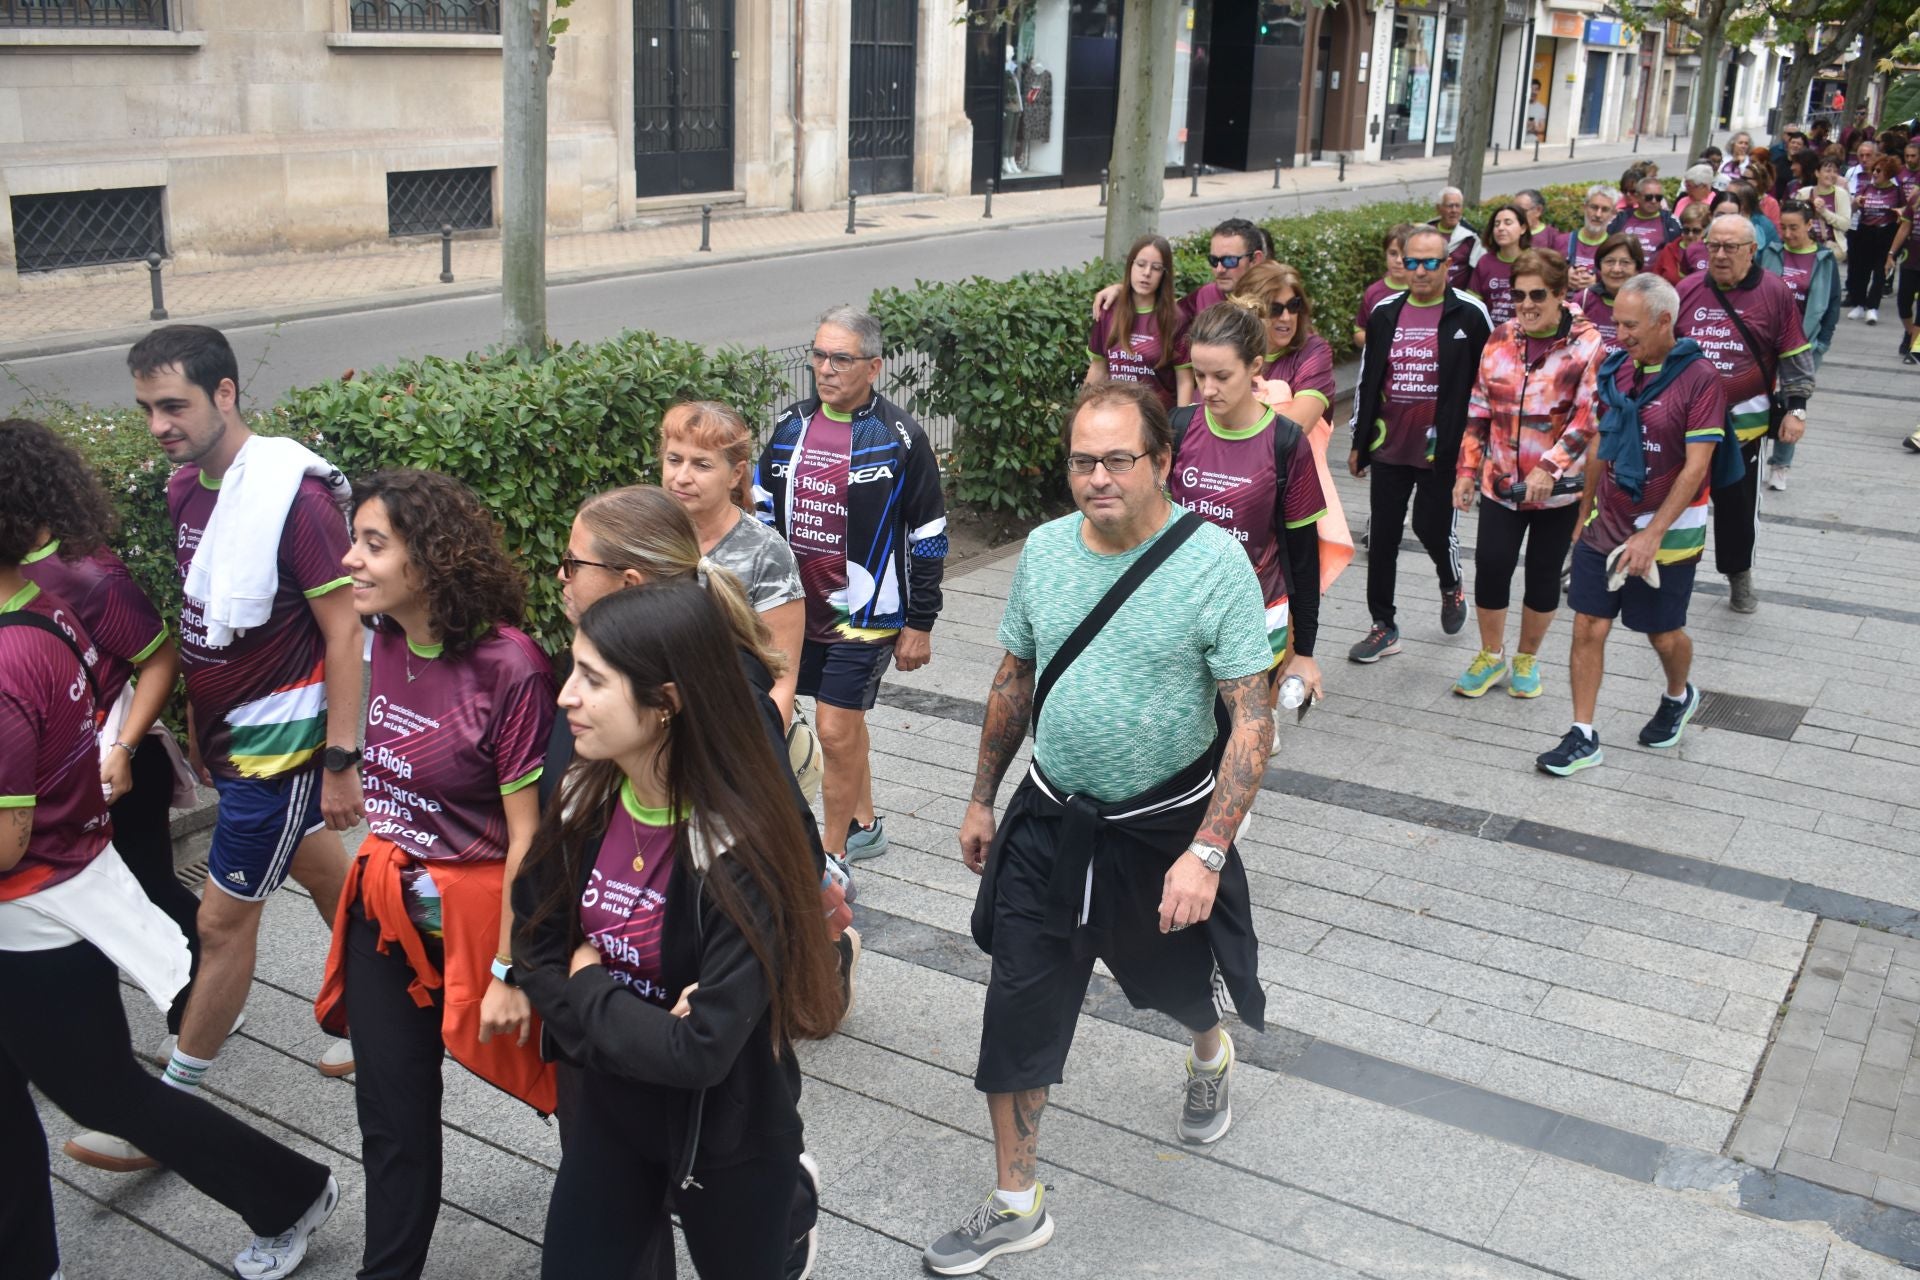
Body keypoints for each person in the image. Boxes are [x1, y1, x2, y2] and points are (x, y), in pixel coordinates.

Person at [924, 380, 1274, 1276]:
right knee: (1018, 1004)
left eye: (1119, 459)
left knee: (1171, 987)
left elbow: (1252, 719)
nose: (1098, 477)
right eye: (1083, 460)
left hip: (1160, 835)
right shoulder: (1044, 551)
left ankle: (1208, 1048)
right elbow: (1013, 678)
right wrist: (980, 797)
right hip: (1050, 821)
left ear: (1162, 463)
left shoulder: (1213, 564)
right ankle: (1017, 1203)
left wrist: (1207, 850)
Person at [0, 439, 340, 1280]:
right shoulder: (42, 613)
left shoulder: (23, 642)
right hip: (63, 887)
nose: (157, 425)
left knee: (105, 1088)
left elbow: (7, 838)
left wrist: (341, 755)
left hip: (38, 912)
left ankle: (287, 1192)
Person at [70, 325, 360, 1171]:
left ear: (225, 394)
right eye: (146, 408)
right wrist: (200, 719)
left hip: (286, 749)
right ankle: (396, 1012)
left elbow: (344, 634)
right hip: (231, 739)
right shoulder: (184, 490)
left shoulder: (297, 500)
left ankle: (167, 1117)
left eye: (174, 405)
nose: (158, 423)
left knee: (222, 920)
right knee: (327, 873)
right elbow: (208, 619)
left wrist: (340, 758)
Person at [545, 483, 844, 1279]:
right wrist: (587, 991)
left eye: (591, 680)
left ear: (667, 704)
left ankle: (789, 1209)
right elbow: (536, 946)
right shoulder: (581, 795)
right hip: (609, 1106)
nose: (565, 697)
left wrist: (586, 984)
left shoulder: (734, 838)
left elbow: (701, 1049)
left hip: (729, 1128)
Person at [307, 470, 554, 1280]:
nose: (351, 560)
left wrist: (511, 969)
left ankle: (721, 1195)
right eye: (356, 541)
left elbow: (530, 837)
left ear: (432, 558)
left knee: (576, 1096)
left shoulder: (508, 664)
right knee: (391, 1115)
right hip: (391, 907)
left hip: (487, 917)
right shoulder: (380, 635)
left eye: (374, 544)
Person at [11, 420, 200, 1032]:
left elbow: (159, 657)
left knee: (147, 884)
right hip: (60, 765)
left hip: (118, 761)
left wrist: (120, 747)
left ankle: (205, 1000)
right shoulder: (19, 569)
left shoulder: (90, 575)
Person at [758, 304, 946, 868]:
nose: (825, 368)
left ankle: (831, 855)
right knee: (844, 725)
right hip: (793, 611)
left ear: (874, 367)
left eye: (841, 358)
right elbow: (762, 508)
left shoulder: (901, 439)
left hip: (866, 617)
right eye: (819, 354)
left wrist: (921, 622)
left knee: (834, 730)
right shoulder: (791, 424)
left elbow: (930, 533)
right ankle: (865, 823)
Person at [1537, 274, 1726, 776]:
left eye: (1630, 324)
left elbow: (1695, 466)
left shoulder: (1700, 378)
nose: (1619, 334)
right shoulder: (1617, 368)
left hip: (1670, 527)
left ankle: (1679, 694)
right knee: (1587, 626)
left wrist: (1652, 535)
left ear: (1665, 321)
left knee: (1661, 633)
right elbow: (1601, 442)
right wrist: (1584, 516)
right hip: (1609, 520)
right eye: (1616, 321)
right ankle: (1582, 735)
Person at [1452, 249, 1603, 700]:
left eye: (1538, 294)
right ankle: (1491, 655)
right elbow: (1478, 410)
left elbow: (1587, 417)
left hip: (1557, 490)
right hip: (1501, 483)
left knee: (1541, 574)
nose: (1527, 303)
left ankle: (1526, 658)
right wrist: (1466, 470)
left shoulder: (1588, 343)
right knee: (1492, 566)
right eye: (1519, 294)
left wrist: (1548, 467)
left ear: (1561, 294)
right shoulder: (1500, 337)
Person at [1346, 225, 1491, 661]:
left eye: (1431, 262)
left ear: (1448, 264)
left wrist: (1478, 451)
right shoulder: (1385, 312)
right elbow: (1369, 378)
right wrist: (1358, 440)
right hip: (1390, 445)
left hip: (1442, 449)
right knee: (1383, 536)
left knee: (1432, 527)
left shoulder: (1470, 313)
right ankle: (1383, 625)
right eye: (1413, 262)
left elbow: (1489, 385)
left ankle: (1451, 585)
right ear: (1401, 264)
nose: (1422, 271)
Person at [1172, 301, 1328, 699]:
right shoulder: (1178, 428)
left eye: (1222, 376)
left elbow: (1303, 553)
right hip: (1181, 616)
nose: (1207, 389)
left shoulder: (1285, 442)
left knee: (1240, 747)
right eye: (1200, 374)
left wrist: (1305, 650)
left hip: (1256, 620)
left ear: (1255, 366)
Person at [1675, 215, 1816, 614]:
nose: (1719, 255)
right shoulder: (1685, 289)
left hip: (1744, 428)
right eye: (1713, 246)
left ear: (1752, 251)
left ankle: (1739, 576)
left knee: (1736, 507)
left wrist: (1797, 409)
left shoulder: (1775, 293)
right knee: (1672, 500)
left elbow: (1795, 358)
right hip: (1684, 425)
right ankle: (1664, 571)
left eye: (1730, 247)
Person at [662, 400, 805, 726]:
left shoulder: (767, 553)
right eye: (674, 460)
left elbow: (781, 680)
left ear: (735, 474)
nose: (681, 477)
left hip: (731, 730)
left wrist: (762, 756)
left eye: (701, 465)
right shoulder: (645, 536)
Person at [1763, 202, 1840, 491]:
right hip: (1767, 342)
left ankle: (1781, 464)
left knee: (1792, 403)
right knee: (1763, 398)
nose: (1787, 233)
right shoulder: (1770, 252)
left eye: (1794, 227)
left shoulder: (1824, 259)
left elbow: (1832, 304)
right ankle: (1757, 454)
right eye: (1783, 227)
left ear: (1809, 225)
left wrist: (1822, 342)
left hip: (1804, 344)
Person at [1091, 217, 1267, 327]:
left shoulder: (1280, 300)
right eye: (1214, 260)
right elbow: (1164, 306)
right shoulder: (1205, 295)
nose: (1219, 269)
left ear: (1255, 260)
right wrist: (1123, 289)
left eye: (1229, 261)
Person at [1085, 234, 1186, 411]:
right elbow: (1098, 369)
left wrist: (1185, 427)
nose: (1146, 273)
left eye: (1156, 268)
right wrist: (1082, 413)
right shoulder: (1108, 309)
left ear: (1164, 274)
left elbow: (1184, 380)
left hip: (1157, 423)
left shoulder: (1176, 318)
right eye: (1140, 264)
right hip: (1116, 418)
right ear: (1130, 266)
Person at [1230, 261, 1337, 427]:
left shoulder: (1314, 351)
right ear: (1251, 312)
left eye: (1293, 305)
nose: (1286, 317)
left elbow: (1297, 427)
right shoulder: (1229, 350)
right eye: (1275, 309)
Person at [1846, 155, 1908, 323]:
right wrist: (1856, 202)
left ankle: (1873, 307)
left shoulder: (1896, 191)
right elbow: (1851, 209)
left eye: (1879, 171)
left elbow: (1905, 208)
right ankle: (1859, 304)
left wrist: (1899, 211)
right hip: (1865, 231)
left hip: (1885, 232)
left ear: (1888, 173)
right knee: (1861, 270)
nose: (1874, 173)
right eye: (1874, 169)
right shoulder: (1866, 188)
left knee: (1880, 272)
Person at [1572, 233, 1645, 350]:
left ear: (1637, 268)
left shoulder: (1647, 303)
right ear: (1599, 266)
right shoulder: (1582, 300)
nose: (1616, 269)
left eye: (1625, 262)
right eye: (1609, 261)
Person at [1469, 203, 1533, 327]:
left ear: (1523, 228)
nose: (1501, 228)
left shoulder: (1535, 260)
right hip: (1492, 336)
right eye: (1496, 224)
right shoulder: (1484, 262)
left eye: (1508, 223)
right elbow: (1473, 304)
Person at [1353, 223, 1413, 348]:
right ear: (1385, 253)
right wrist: (1377, 341)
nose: (1398, 260)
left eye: (1405, 255)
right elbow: (1359, 330)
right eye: (1393, 253)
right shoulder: (1374, 292)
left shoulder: (1423, 290)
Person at [1609, 173, 1682, 260]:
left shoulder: (1671, 221)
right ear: (1637, 196)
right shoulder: (1621, 218)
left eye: (1658, 198)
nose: (1654, 201)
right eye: (1649, 197)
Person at [1431, 185, 1484, 290]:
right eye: (1450, 206)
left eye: (1458, 206)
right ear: (1438, 208)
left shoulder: (1471, 237)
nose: (1454, 210)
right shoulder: (1425, 233)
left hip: (1458, 298)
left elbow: (1479, 271)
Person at [1567, 185, 1619, 290]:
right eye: (1594, 207)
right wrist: (1564, 276)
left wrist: (1598, 283)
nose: (1598, 214)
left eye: (1604, 209)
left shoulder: (1615, 248)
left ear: (1613, 213)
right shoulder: (1562, 241)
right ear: (1584, 207)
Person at [1798, 154, 1851, 252]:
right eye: (1828, 171)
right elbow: (1796, 219)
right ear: (1817, 173)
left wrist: (1824, 212)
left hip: (1830, 247)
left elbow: (1845, 225)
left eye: (1835, 171)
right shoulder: (1803, 193)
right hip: (1805, 245)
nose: (1832, 175)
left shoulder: (1841, 194)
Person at [1651, 205, 1709, 283]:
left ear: (1706, 232)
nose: (1690, 235)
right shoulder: (1669, 250)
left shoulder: (1710, 252)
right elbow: (1654, 279)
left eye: (1696, 231)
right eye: (1686, 230)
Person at [1515, 189, 1565, 254]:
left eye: (1522, 211)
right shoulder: (1510, 233)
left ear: (1538, 210)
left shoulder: (1552, 236)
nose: (1516, 215)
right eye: (1513, 211)